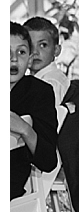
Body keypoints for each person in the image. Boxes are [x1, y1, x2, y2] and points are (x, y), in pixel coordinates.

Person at [10, 21, 59, 199]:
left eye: (21, 52)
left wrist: (24, 128)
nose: (13, 59)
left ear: (30, 58)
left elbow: (48, 161)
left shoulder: (39, 92)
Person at [25, 16, 72, 127]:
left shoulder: (51, 82)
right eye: (29, 46)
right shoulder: (36, 80)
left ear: (56, 50)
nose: (35, 52)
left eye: (43, 45)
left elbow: (49, 126)